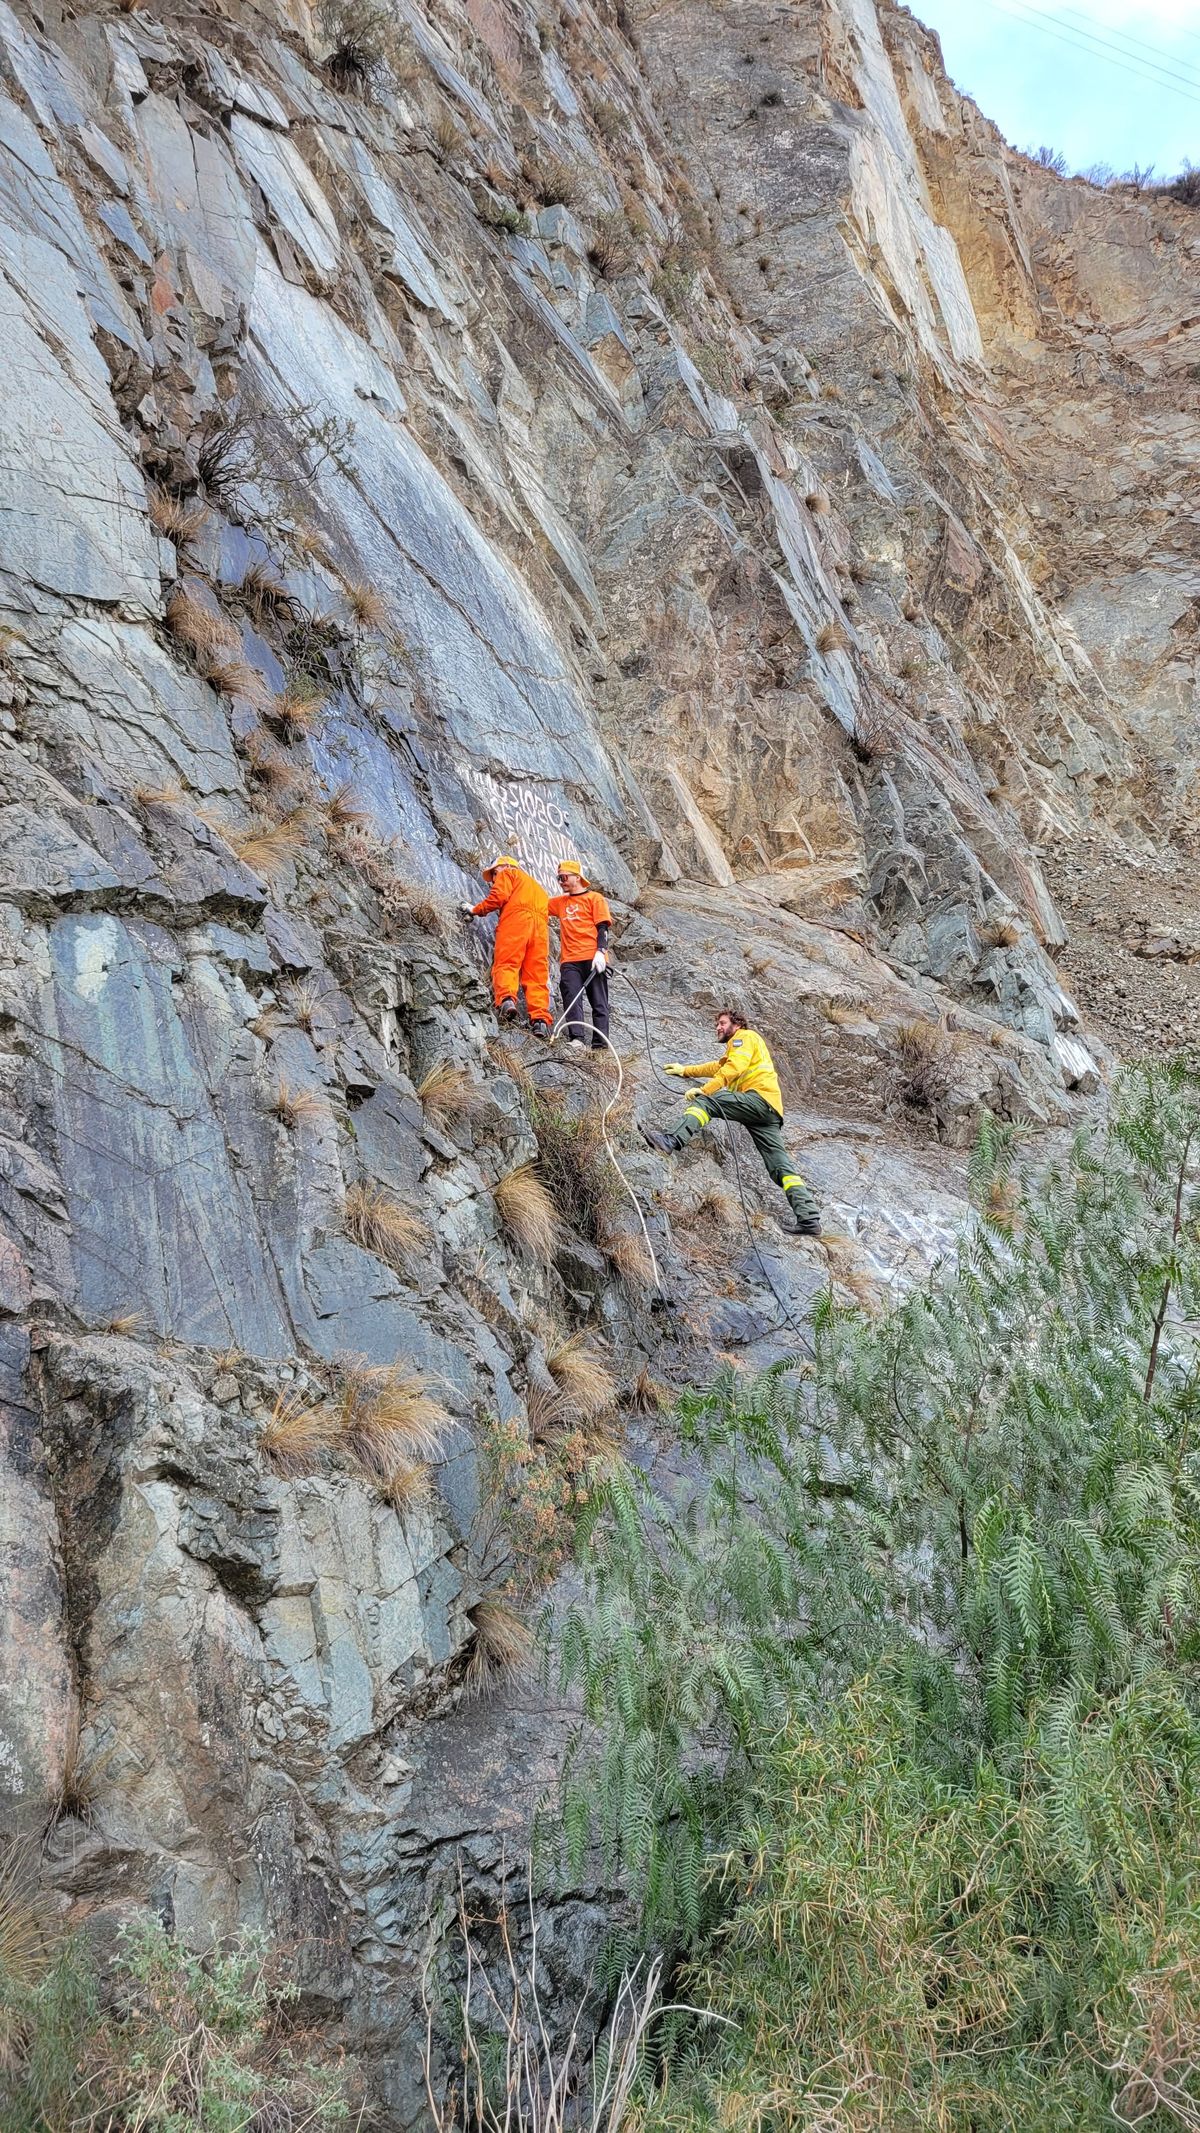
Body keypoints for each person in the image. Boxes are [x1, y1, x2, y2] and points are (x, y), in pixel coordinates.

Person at [639, 1009, 821, 1235]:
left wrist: (704, 1091)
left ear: (737, 1024)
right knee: (781, 1166)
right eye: (717, 1024)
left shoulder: (744, 1037)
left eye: (722, 1023)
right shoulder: (742, 1046)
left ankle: (670, 1140)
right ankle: (809, 1218)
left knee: (707, 1102)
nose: (718, 1027)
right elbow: (719, 1067)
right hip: (770, 1111)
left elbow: (733, 1069)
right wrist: (685, 1071)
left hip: (757, 1100)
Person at [461, 856, 552, 1036]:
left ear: (505, 866)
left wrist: (475, 909)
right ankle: (540, 1021)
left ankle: (506, 1001)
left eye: (494, 873)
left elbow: (498, 897)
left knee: (506, 963)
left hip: (516, 921)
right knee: (536, 975)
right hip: (540, 930)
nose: (494, 879)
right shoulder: (538, 888)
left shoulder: (508, 872)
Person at [547, 857, 611, 1054]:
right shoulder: (559, 903)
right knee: (571, 996)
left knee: (599, 1001)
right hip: (570, 960)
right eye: (558, 878)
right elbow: (535, 904)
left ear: (577, 877)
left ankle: (600, 1045)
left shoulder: (595, 899)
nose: (561, 882)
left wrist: (601, 952)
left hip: (593, 958)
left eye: (564, 877)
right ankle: (577, 1039)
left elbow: (603, 928)